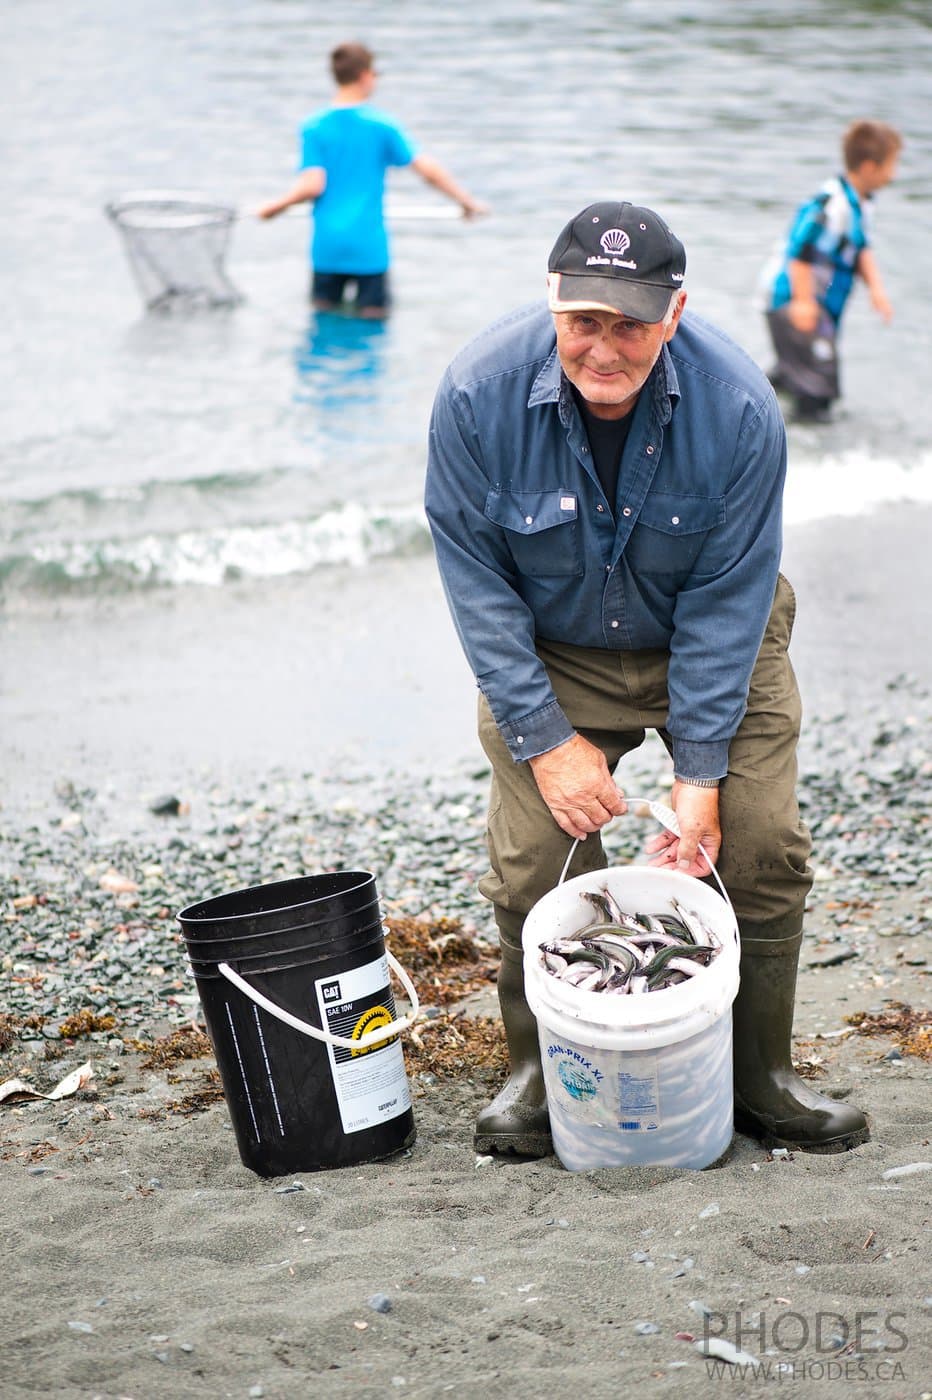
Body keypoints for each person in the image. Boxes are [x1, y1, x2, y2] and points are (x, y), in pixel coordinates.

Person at [425, 199, 870, 1160]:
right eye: (585, 320)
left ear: (675, 312)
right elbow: (478, 588)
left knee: (759, 847)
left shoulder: (742, 408)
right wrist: (548, 744)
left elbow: (727, 600)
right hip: (556, 648)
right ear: (553, 303)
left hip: (715, 638)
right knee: (534, 864)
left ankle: (763, 1078)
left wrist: (697, 777)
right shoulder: (473, 396)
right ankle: (538, 1074)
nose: (605, 348)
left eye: (631, 323)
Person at [257, 41, 486, 317]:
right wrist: (467, 203)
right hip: (369, 249)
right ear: (365, 75)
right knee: (373, 322)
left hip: (327, 247)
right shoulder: (381, 125)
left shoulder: (314, 126)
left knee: (324, 321)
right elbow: (428, 171)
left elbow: (311, 185)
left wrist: (274, 208)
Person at [763, 120, 902, 421]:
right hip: (793, 303)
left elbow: (861, 247)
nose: (894, 174)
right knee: (819, 390)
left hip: (818, 307)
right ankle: (804, 451)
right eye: (891, 165)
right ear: (869, 167)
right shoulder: (831, 205)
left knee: (802, 374)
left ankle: (760, 398)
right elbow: (799, 254)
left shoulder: (862, 204)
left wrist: (876, 290)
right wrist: (803, 302)